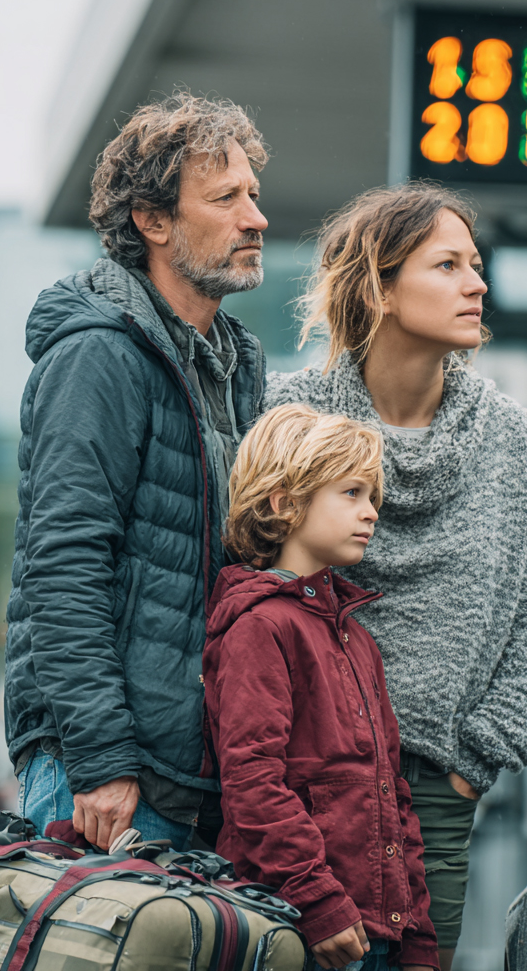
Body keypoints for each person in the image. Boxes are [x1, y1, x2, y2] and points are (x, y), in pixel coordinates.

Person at [262, 182, 527, 966]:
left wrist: (473, 764)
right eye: (448, 265)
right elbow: (248, 592)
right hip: (301, 793)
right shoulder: (290, 417)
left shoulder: (507, 434)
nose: (477, 285)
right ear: (379, 288)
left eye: (477, 264)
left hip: (436, 793)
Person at [4, 91, 269, 851]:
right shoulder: (99, 354)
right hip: (111, 779)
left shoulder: (235, 361)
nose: (254, 218)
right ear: (152, 221)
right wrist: (101, 761)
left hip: (198, 777)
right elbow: (62, 567)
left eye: (253, 194)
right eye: (226, 199)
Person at [204, 403, 437, 971]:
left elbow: (393, 795)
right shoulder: (260, 626)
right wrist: (318, 903)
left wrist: (420, 941)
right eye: (352, 493)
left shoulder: (357, 639)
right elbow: (253, 781)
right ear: (284, 503)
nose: (371, 513)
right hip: (303, 930)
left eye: (372, 497)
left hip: (379, 936)